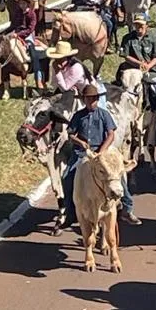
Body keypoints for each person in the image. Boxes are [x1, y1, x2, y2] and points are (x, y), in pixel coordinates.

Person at [62, 82, 140, 228]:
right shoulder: (78, 116)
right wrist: (80, 142)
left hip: (102, 150)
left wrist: (102, 150)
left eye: (94, 98)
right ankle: (70, 212)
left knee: (117, 176)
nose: (91, 101)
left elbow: (111, 134)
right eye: (88, 98)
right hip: (82, 152)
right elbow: (70, 134)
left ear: (98, 99)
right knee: (67, 177)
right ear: (83, 100)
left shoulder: (104, 114)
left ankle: (127, 208)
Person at [119, 14, 156, 132]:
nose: (138, 27)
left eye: (141, 24)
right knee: (122, 90)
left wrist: (148, 66)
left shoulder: (153, 38)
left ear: (146, 25)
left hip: (151, 72)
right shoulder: (128, 38)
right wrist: (138, 64)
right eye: (136, 24)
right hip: (133, 70)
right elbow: (125, 55)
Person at [10, 0, 45, 92]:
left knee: (34, 54)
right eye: (20, 3)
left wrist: (18, 34)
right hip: (16, 33)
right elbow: (13, 25)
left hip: (27, 36)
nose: (21, 5)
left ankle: (38, 77)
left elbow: (30, 29)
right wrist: (9, 32)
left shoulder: (32, 14)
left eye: (23, 3)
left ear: (28, 4)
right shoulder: (17, 13)